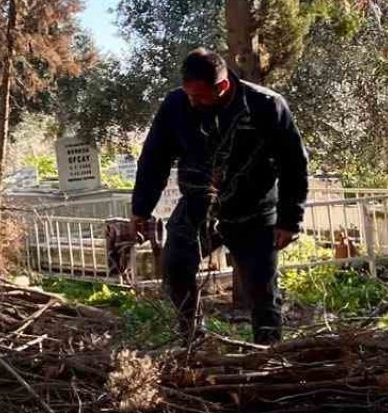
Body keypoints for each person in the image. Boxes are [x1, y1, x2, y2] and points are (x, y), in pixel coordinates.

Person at [131, 49, 309, 345]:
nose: (193, 102)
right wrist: (141, 208)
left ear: (222, 86)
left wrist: (290, 220)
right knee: (175, 267)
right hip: (197, 207)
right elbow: (154, 159)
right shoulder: (176, 105)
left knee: (262, 292)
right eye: (188, 94)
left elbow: (294, 164)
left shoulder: (265, 106)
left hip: (253, 212)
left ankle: (268, 356)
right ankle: (192, 339)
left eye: (199, 97)